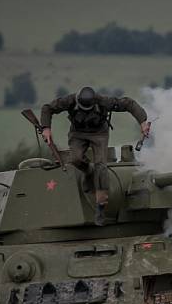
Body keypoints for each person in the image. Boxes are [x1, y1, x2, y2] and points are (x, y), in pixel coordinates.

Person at [41, 87, 151, 225]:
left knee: (101, 166)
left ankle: (100, 207)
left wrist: (143, 122)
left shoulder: (104, 101)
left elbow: (129, 104)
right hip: (78, 134)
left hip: (99, 134)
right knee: (75, 159)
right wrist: (46, 128)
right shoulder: (69, 100)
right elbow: (47, 108)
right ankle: (88, 171)